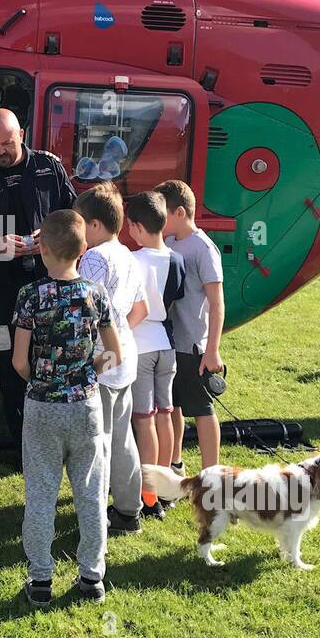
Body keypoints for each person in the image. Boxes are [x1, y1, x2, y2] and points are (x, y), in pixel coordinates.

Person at [12, 209, 122, 605]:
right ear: (83, 248)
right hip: (86, 406)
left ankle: (40, 579)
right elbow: (114, 352)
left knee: (41, 493)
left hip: (43, 405)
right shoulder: (96, 293)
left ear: (42, 249)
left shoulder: (30, 296)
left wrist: (44, 382)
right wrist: (87, 374)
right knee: (91, 493)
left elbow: (19, 362)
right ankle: (92, 577)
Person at [0, 108, 76, 443]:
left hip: (49, 283)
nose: (0, 152)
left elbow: (74, 218)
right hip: (2, 286)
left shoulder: (48, 166)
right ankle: (21, 441)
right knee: (9, 365)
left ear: (20, 134)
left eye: (6, 143)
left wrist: (49, 237)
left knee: (53, 357)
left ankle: (57, 437)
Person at [74, 183, 149, 536]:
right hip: (125, 357)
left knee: (97, 442)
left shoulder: (94, 258)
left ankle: (96, 517)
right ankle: (129, 509)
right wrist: (118, 337)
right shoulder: (129, 255)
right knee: (122, 437)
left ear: (94, 225)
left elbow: (83, 310)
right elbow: (141, 308)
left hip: (100, 361)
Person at [156, 179, 225, 473]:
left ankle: (211, 475)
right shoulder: (169, 243)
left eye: (164, 213)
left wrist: (212, 351)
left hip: (194, 343)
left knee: (202, 410)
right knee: (173, 406)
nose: (159, 220)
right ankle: (176, 465)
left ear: (180, 213)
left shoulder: (203, 248)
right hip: (169, 342)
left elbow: (217, 303)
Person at [125, 190, 185, 517]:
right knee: (166, 413)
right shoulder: (177, 258)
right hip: (166, 342)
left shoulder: (134, 259)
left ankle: (148, 496)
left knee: (143, 419)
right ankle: (164, 488)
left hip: (141, 342)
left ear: (135, 226)